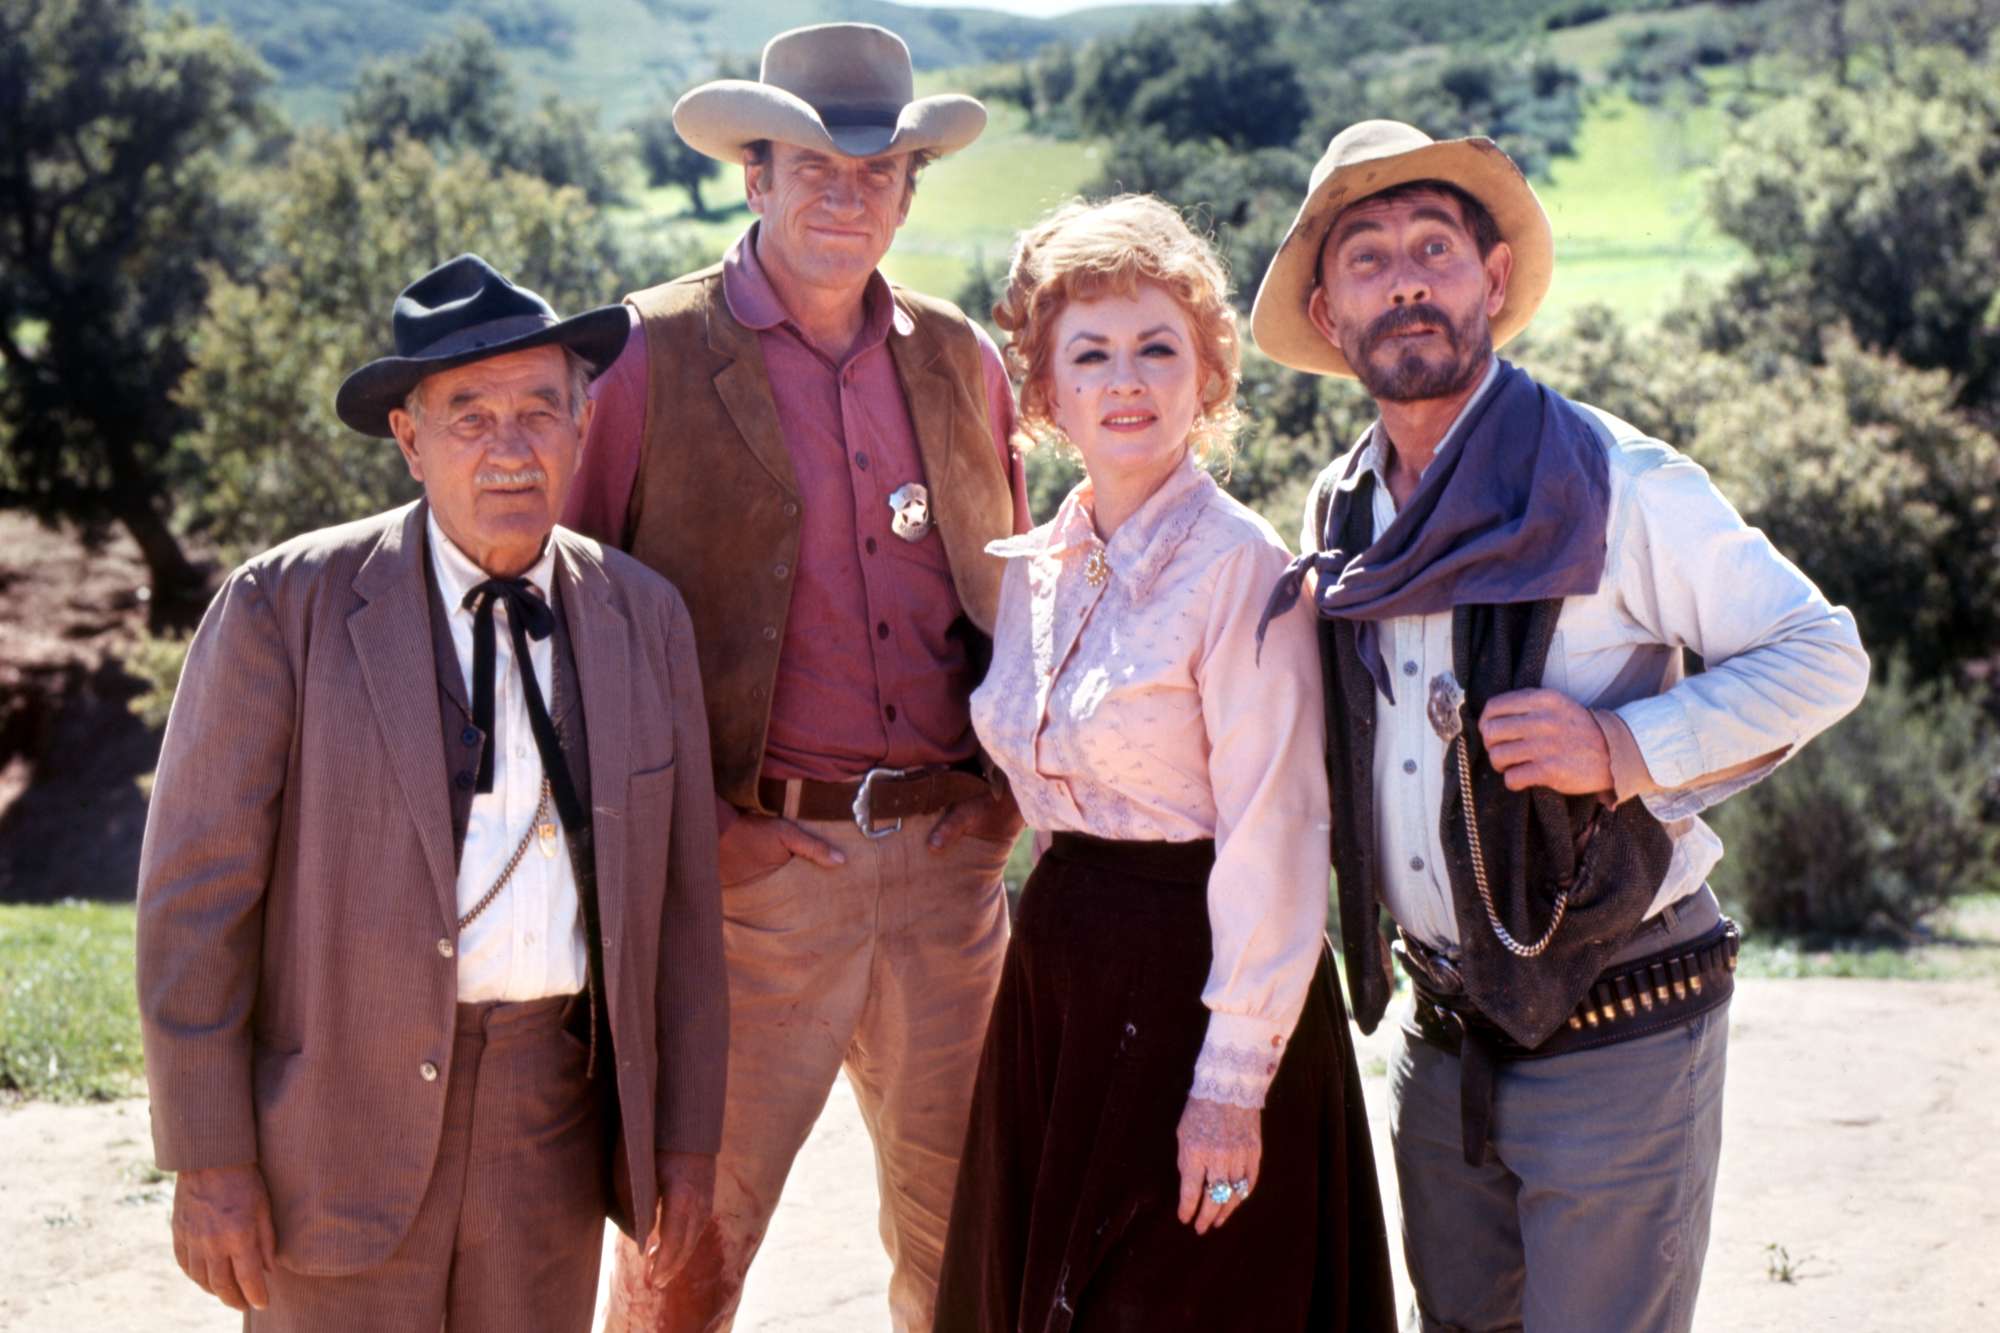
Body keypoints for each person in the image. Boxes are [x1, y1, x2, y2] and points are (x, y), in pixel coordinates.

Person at [1250, 120, 1871, 1331]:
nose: (1407, 278)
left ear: (1488, 282)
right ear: (1328, 314)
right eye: (1366, 258)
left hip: (1620, 1023)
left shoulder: (1612, 479)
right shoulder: (1341, 506)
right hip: (1441, 1040)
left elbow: (1820, 654)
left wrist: (1620, 750)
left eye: (1434, 245)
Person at [135, 254, 728, 1331]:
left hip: (548, 1128)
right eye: (469, 416)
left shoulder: (646, 619)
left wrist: (684, 1141)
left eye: (539, 409)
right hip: (328, 1136)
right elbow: (195, 900)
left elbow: (684, 911)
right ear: (409, 440)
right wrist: (208, 1156)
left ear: (582, 424)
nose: (509, 447)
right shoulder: (283, 608)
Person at [561, 23, 1031, 1332]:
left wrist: (1003, 796)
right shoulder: (644, 357)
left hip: (949, 873)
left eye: (876, 170)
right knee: (679, 1260)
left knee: (972, 1247)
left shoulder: (963, 362)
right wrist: (699, 834)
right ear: (753, 178)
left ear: (908, 192)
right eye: (810, 163)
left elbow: (1019, 596)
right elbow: (561, 623)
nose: (845, 190)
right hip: (749, 887)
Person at [931, 195, 1397, 1332]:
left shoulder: (1243, 572)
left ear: (1209, 376)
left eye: (1157, 348)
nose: (1125, 380)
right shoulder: (1032, 566)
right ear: (1044, 393)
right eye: (1088, 354)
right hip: (1058, 986)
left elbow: (1276, 835)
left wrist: (1229, 1089)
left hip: (1203, 984)